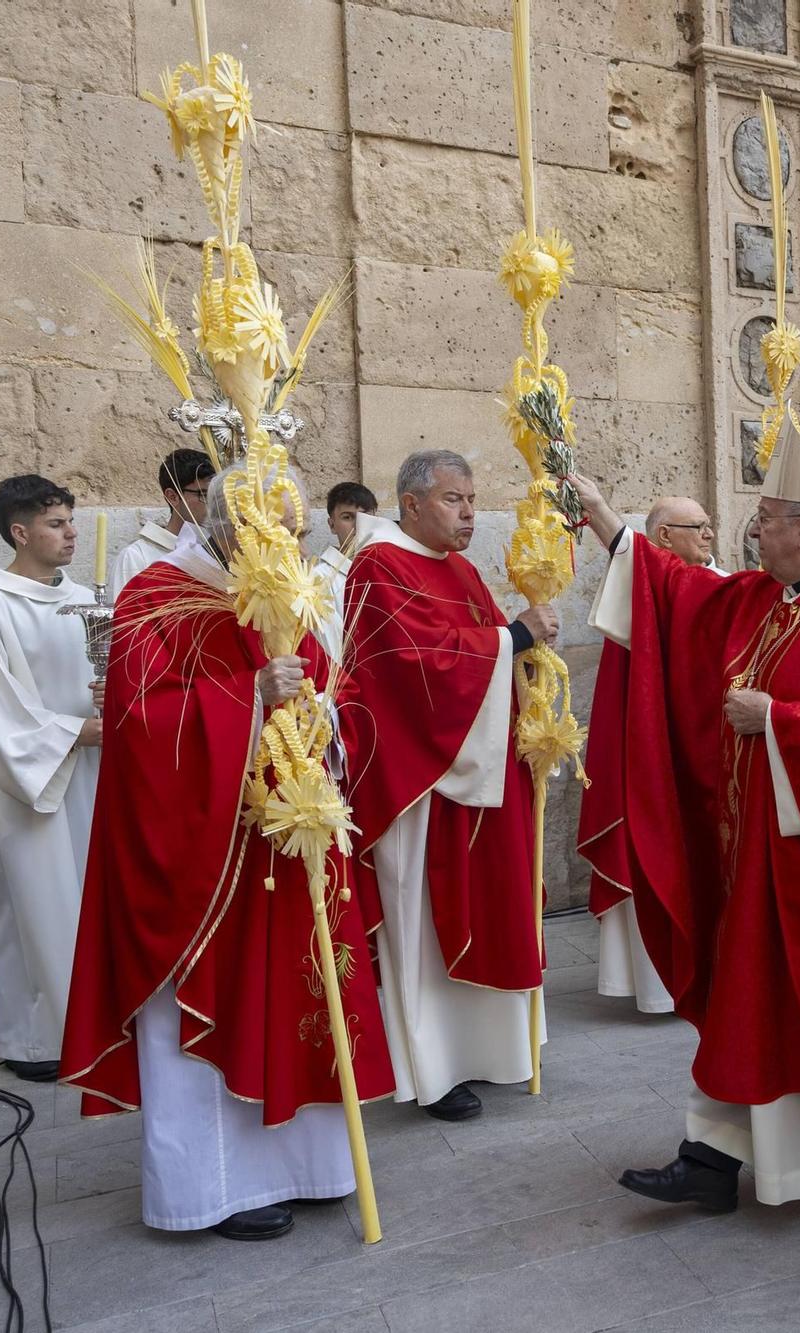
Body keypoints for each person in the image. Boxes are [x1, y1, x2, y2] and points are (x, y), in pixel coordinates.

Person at [570, 423, 800, 1212]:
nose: (751, 532)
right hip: (758, 859)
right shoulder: (762, 601)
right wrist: (605, 516)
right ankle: (712, 1157)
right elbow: (677, 591)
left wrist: (777, 717)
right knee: (747, 1000)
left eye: (767, 518)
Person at [61, 463, 393, 1242]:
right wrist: (249, 697)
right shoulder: (159, 595)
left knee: (301, 995)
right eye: (271, 529)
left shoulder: (284, 597)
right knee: (211, 1005)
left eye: (296, 529)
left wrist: (326, 721)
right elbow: (141, 726)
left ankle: (315, 1165)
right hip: (203, 856)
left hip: (289, 839)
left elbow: (333, 692)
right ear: (225, 525)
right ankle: (212, 1188)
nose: (289, 544)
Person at [335, 451, 548, 1122]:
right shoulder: (379, 564)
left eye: (472, 498)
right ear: (411, 502)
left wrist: (531, 670)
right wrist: (511, 638)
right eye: (454, 499)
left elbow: (479, 643)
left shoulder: (457, 567)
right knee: (423, 926)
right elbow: (409, 664)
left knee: (491, 902)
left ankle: (495, 1050)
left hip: (478, 769)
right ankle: (433, 1070)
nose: (468, 513)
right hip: (417, 779)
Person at [0, 476, 102, 1082]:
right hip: (31, 782)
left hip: (94, 774)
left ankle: (101, 1022)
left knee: (92, 897)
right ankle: (41, 1039)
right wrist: (75, 733)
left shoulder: (87, 598)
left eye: (70, 521)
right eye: (57, 524)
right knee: (37, 905)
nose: (70, 534)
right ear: (20, 532)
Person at [581, 495, 722, 1016]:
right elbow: (629, 550)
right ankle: (654, 986)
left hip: (707, 748)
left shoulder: (716, 578)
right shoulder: (642, 586)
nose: (709, 534)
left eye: (710, 525)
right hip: (656, 751)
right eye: (697, 526)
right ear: (662, 538)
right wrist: (597, 508)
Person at [107, 450, 214, 599]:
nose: (214, 504)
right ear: (173, 497)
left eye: (216, 495)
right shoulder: (136, 558)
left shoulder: (219, 554)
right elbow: (125, 619)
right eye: (203, 495)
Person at [313, 482, 377, 663]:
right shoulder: (319, 580)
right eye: (348, 517)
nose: (358, 527)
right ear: (332, 524)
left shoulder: (389, 572)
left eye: (365, 517)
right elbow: (330, 651)